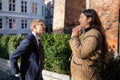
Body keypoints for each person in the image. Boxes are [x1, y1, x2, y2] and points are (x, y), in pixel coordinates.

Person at [69, 9, 108, 80]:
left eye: (81, 18)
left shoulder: (93, 35)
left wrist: (74, 35)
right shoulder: (87, 33)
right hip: (82, 74)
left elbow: (81, 53)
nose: (79, 20)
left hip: (86, 75)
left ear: (89, 19)